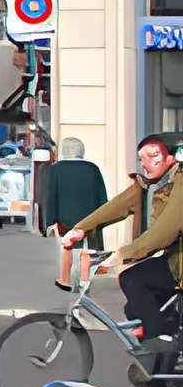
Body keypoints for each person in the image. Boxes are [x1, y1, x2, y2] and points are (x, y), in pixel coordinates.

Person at [57, 132, 183, 348]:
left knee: (133, 280)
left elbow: (165, 232)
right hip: (175, 260)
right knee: (136, 309)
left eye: (154, 157)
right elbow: (117, 206)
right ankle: (166, 350)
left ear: (172, 158)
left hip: (179, 265)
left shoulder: (180, 184)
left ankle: (157, 348)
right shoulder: (149, 184)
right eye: (142, 158)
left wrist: (124, 254)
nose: (146, 163)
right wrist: (82, 228)